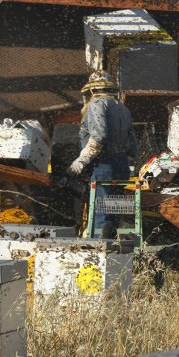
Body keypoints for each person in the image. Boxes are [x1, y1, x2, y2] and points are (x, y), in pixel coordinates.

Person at [67, 70, 138, 238]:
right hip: (121, 166)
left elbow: (99, 135)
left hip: (103, 165)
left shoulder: (96, 104)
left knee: (101, 210)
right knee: (113, 209)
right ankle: (113, 246)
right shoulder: (124, 109)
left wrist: (82, 160)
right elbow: (133, 146)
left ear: (91, 90)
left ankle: (99, 245)